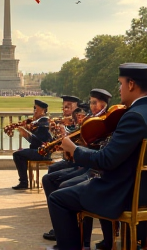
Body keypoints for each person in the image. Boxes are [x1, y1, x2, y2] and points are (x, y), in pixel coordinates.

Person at [48, 62, 147, 250]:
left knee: (57, 199)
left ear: (131, 84)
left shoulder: (134, 116)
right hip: (142, 191)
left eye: (120, 83)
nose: (119, 89)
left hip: (122, 193)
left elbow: (106, 160)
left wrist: (74, 149)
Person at [42, 89, 112, 248]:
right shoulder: (92, 120)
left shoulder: (103, 121)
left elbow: (97, 148)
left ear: (104, 104)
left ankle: (81, 240)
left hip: (93, 167)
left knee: (64, 186)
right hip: (89, 164)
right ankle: (64, 231)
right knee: (51, 179)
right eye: (91, 102)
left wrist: (74, 142)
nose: (92, 106)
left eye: (95, 103)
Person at [12, 99, 53, 190]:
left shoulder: (44, 122)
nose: (34, 112)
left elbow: (39, 141)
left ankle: (24, 182)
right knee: (20, 153)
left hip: (42, 152)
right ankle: (25, 180)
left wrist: (25, 133)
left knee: (17, 154)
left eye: (36, 109)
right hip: (39, 150)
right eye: (34, 109)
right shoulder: (39, 121)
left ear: (43, 111)